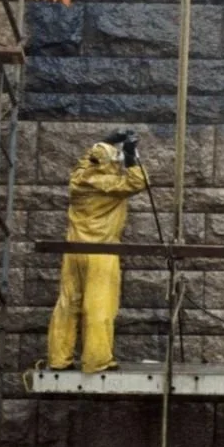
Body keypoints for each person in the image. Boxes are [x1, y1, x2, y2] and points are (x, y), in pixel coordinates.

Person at [46, 130, 148, 374]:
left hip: (73, 251)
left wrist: (107, 140)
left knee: (68, 303)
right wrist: (132, 156)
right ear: (111, 164)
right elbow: (139, 182)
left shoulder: (79, 179)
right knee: (99, 305)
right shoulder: (111, 185)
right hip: (102, 251)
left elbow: (89, 159)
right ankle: (97, 360)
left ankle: (59, 360)